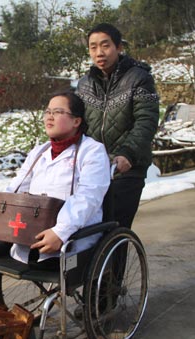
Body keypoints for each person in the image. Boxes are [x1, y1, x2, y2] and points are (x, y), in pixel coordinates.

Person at [0, 91, 110, 268]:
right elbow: (15, 189)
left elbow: (88, 197)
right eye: (48, 112)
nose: (50, 117)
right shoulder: (39, 152)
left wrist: (60, 232)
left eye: (57, 112)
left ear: (76, 121)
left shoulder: (92, 151)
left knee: (49, 259)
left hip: (72, 240)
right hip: (31, 232)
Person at [76, 23, 160, 229]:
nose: (99, 52)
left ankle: (117, 259)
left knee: (115, 229)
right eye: (93, 47)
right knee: (87, 230)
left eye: (105, 45)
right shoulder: (84, 84)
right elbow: (78, 124)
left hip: (126, 168)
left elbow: (146, 121)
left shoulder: (139, 78)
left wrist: (128, 154)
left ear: (119, 47)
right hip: (94, 167)